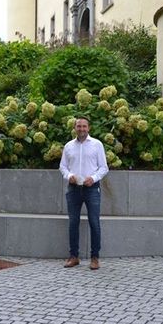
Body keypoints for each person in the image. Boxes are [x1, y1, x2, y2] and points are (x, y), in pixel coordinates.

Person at [59, 116, 109, 270]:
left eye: (84, 126)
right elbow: (63, 166)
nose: (81, 129)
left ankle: (95, 258)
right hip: (73, 188)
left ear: (89, 128)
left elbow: (104, 167)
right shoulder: (68, 146)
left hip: (91, 188)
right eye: (78, 126)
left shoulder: (97, 145)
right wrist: (69, 176)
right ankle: (74, 256)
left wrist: (93, 178)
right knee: (73, 223)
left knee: (94, 222)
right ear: (74, 128)